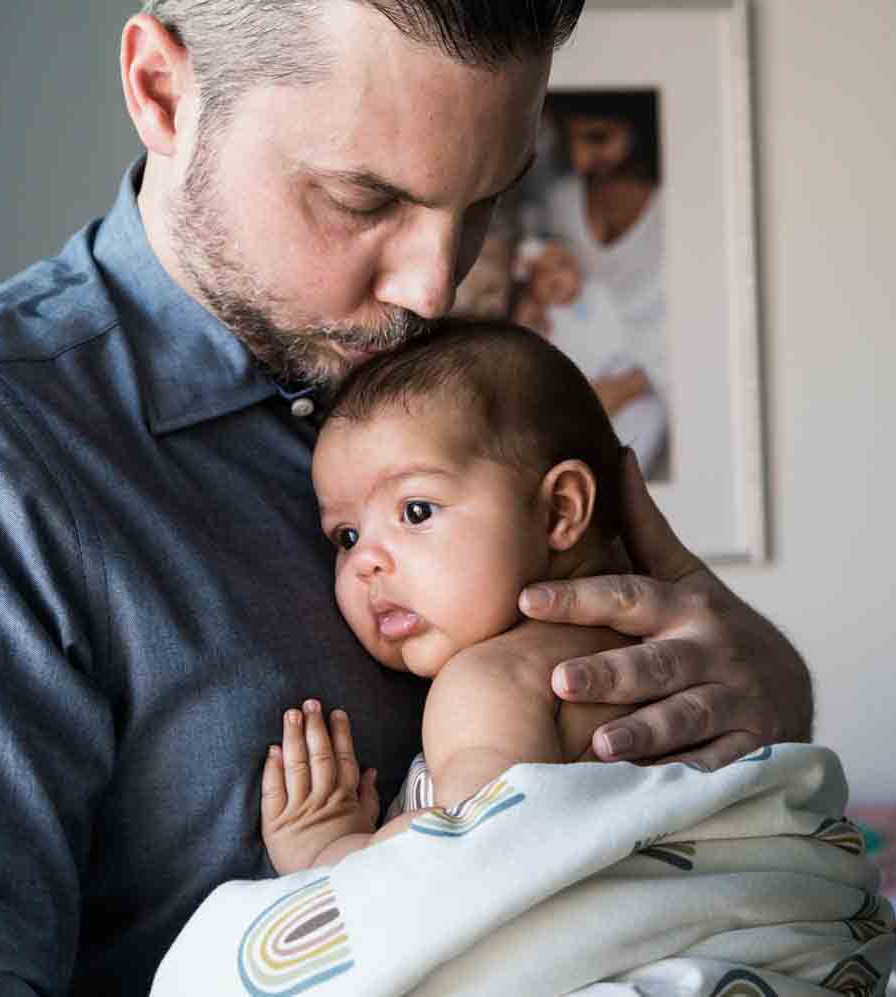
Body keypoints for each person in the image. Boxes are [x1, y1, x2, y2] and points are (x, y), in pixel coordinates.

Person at [0, 0, 812, 994]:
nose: (434, 283)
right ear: (160, 90)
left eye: (484, 206)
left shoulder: (458, 402)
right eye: (362, 197)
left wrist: (756, 703)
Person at [258, 321, 639, 873]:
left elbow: (467, 867)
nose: (367, 561)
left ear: (560, 510)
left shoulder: (486, 683)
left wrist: (326, 850)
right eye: (346, 536)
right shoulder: (668, 646)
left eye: (415, 511)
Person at [525, 91, 672, 476]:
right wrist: (533, 295)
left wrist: (623, 389)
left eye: (598, 138)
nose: (579, 159)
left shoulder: (675, 211)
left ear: (639, 131)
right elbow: (537, 263)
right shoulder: (560, 201)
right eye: (570, 139)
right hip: (577, 370)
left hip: (647, 385)